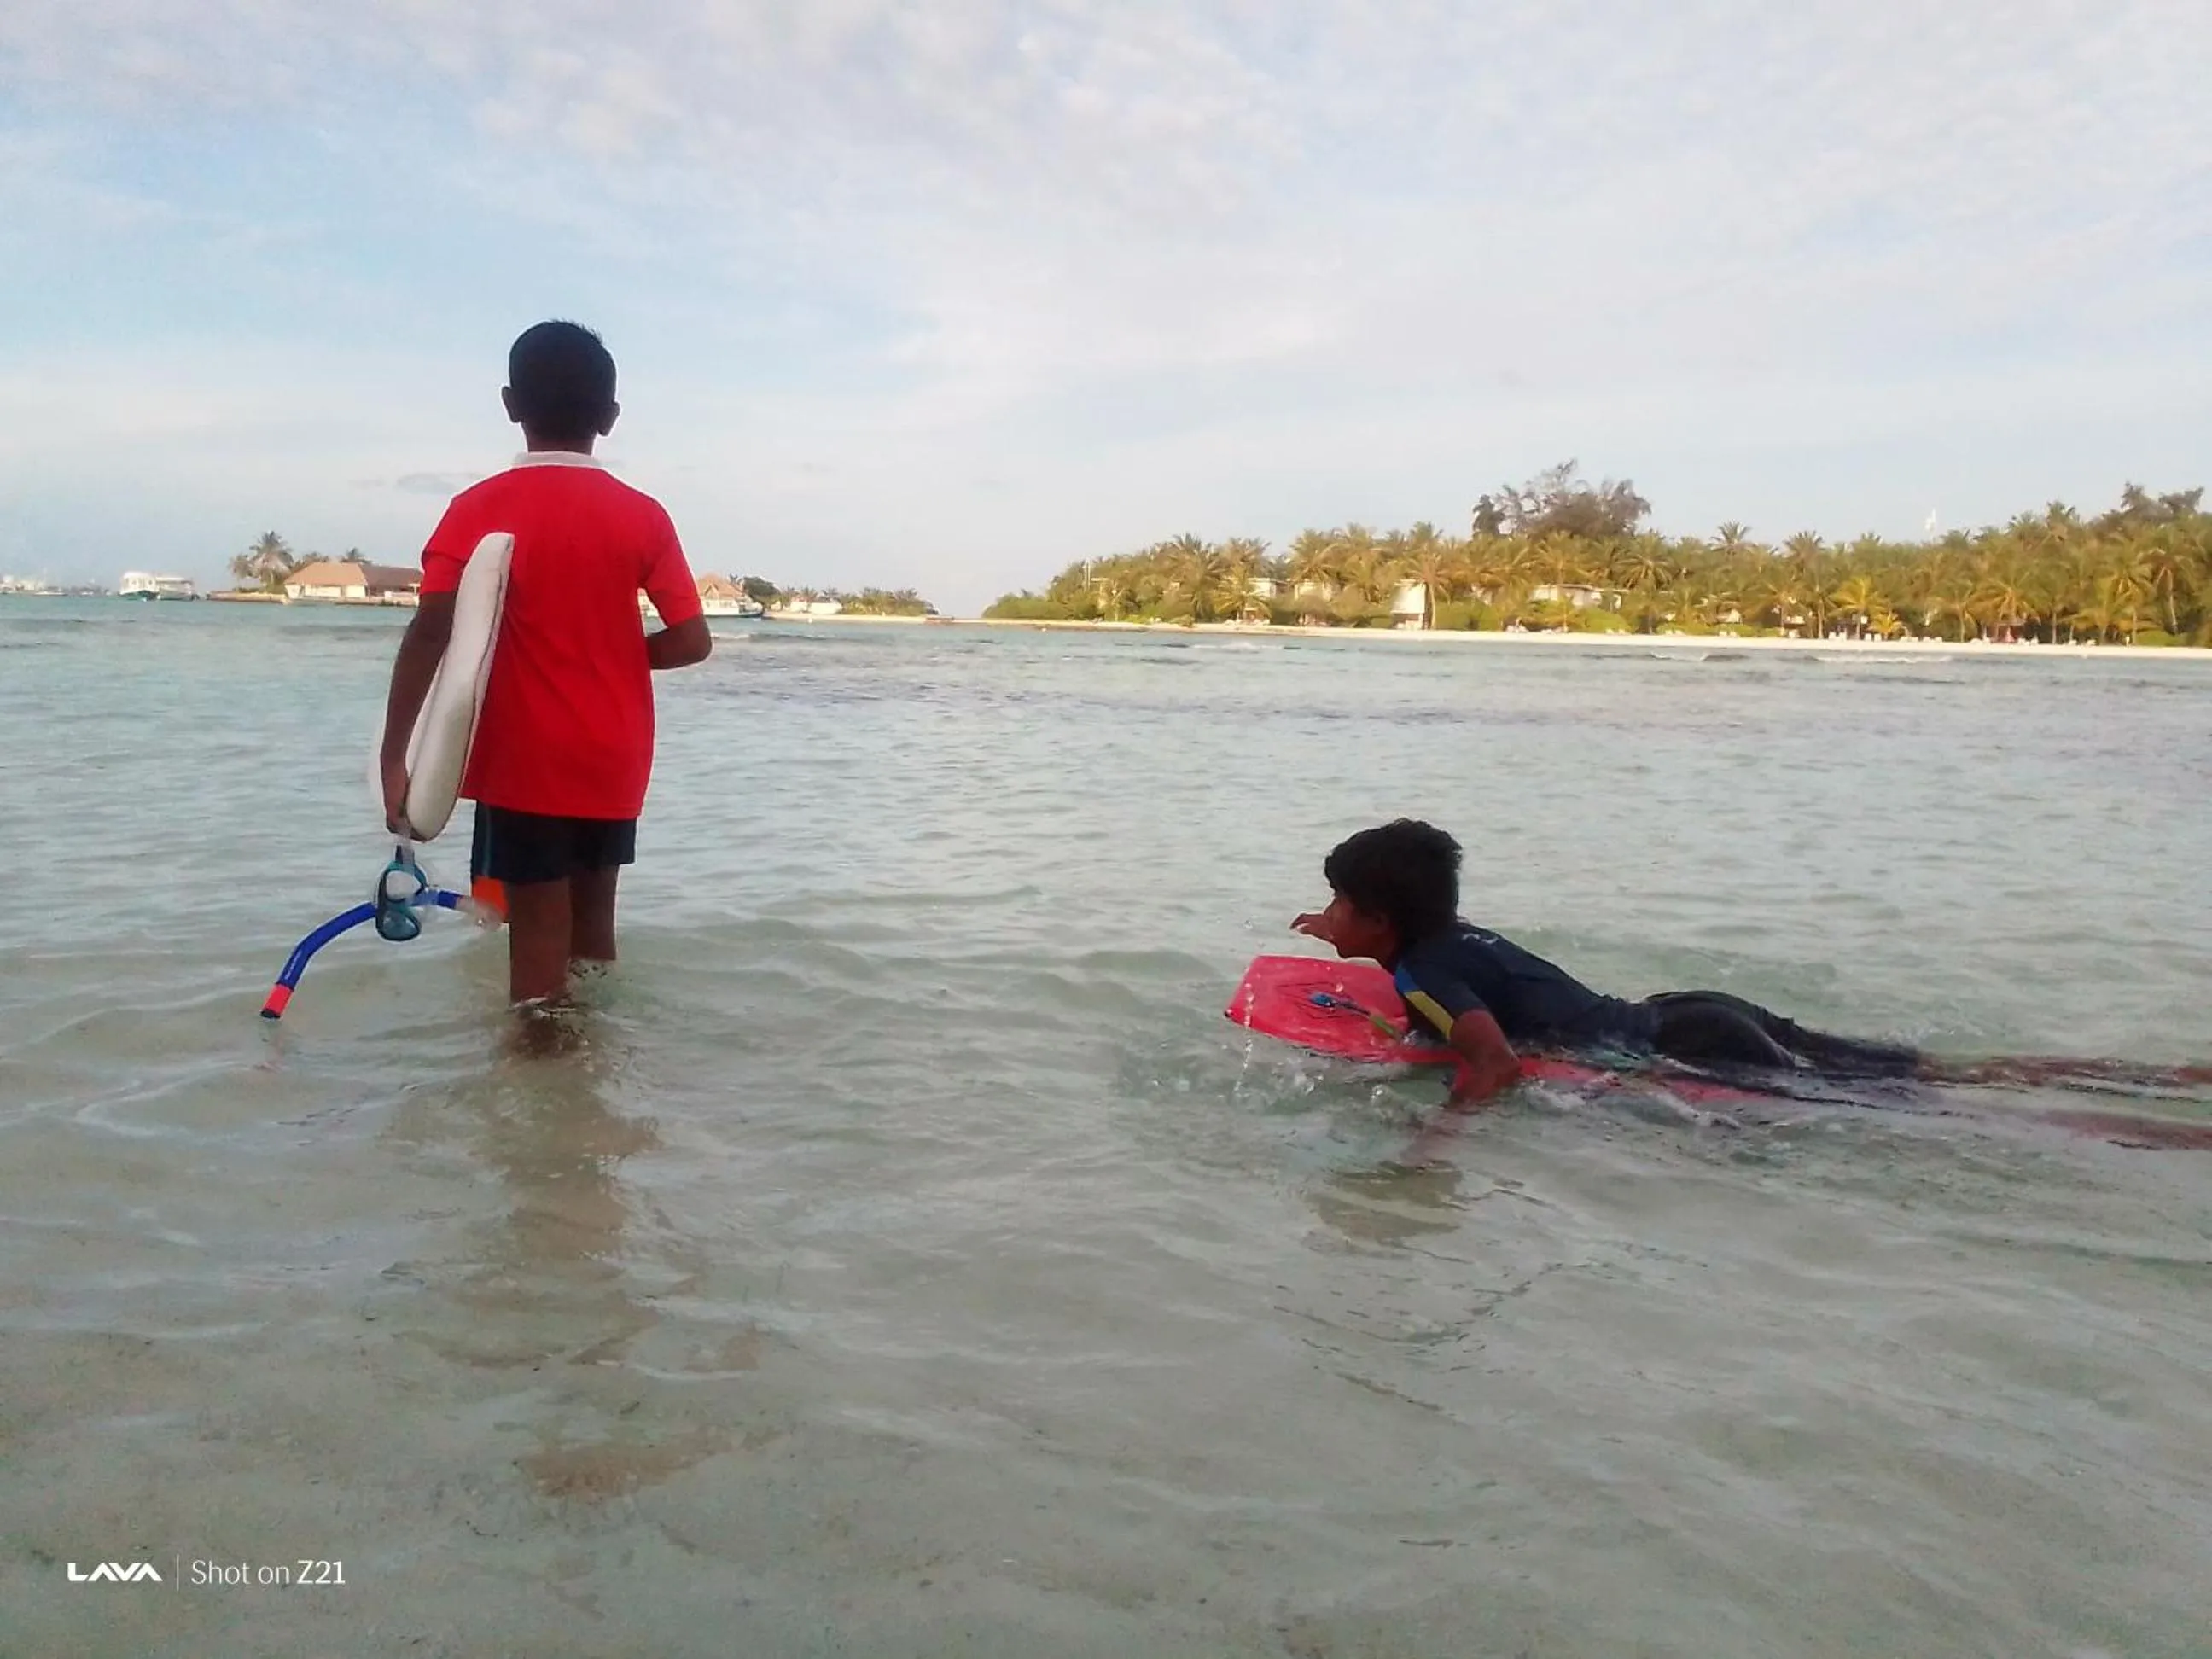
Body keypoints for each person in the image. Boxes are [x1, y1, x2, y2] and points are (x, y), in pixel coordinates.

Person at [377, 320, 712, 1010]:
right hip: (612, 755)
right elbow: (690, 640)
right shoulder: (642, 515)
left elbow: (430, 633)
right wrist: (615, 660)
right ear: (610, 418)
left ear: (510, 403)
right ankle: (600, 1083)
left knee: (535, 959)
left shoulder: (474, 509)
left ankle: (540, 1099)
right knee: (593, 933)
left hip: (524, 758)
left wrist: (394, 760)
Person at [1291, 818, 1930, 1105]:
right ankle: (2025, 1077)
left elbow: (1497, 1064)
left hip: (1692, 1048)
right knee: (1895, 1071)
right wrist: (1340, 932)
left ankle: (2023, 1122)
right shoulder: (1453, 935)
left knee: (1878, 1104)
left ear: (1380, 921)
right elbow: (1419, 949)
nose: (1328, 912)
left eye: (1338, 903)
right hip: (1693, 1012)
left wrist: (1433, 1142)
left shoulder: (1419, 975)